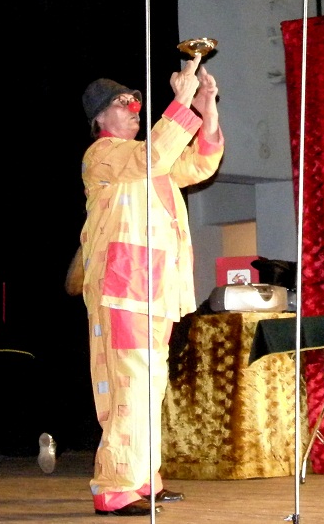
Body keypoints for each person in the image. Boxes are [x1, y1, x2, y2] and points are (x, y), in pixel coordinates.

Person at [77, 54, 223, 517]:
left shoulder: (147, 160)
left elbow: (198, 165)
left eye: (135, 103)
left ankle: (142, 477)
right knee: (132, 385)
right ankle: (114, 486)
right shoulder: (104, 154)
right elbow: (154, 154)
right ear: (100, 118)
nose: (133, 110)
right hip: (124, 287)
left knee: (148, 386)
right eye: (122, 104)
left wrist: (205, 107)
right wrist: (182, 100)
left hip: (156, 288)